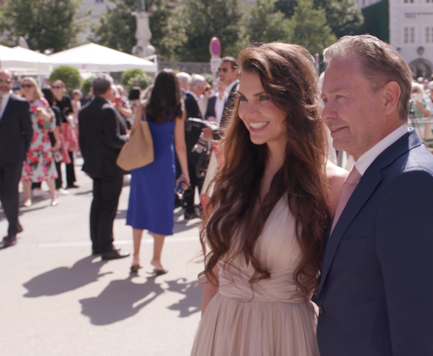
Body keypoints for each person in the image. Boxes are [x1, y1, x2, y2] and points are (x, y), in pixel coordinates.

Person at [314, 34, 433, 356]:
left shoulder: (411, 186)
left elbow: (426, 340)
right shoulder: (381, 174)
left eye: (340, 97)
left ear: (388, 98)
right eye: (324, 98)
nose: (326, 112)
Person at [191, 42, 346, 356]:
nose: (249, 111)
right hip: (219, 332)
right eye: (244, 99)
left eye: (264, 98)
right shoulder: (231, 174)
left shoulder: (332, 186)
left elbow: (347, 292)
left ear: (295, 101)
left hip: (285, 338)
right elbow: (216, 275)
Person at [126, 69, 190, 275]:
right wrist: (185, 173)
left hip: (142, 162)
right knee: (162, 209)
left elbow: (134, 131)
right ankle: (156, 259)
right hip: (163, 164)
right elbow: (180, 145)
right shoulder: (178, 110)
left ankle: (136, 255)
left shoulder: (144, 107)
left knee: (139, 206)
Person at [78, 75, 130, 260]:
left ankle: (98, 244)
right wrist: (130, 137)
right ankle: (106, 246)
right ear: (108, 89)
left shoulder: (85, 110)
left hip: (95, 166)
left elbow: (82, 140)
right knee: (108, 207)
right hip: (110, 166)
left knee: (98, 205)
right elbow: (114, 140)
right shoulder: (106, 109)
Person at [0, 70, 33, 248]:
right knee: (2, 194)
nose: (3, 84)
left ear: (12, 83)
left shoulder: (19, 103)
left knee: (10, 192)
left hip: (13, 156)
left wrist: (22, 151)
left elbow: (28, 130)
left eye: (7, 81)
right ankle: (15, 222)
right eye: (1, 81)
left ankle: (11, 232)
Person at [19, 77, 59, 207]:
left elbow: (51, 125)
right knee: (26, 170)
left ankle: (53, 196)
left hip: (41, 141)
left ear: (34, 87)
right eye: (24, 85)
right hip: (25, 142)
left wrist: (45, 117)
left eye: (29, 85)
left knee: (47, 168)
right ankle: (27, 198)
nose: (26, 88)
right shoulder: (19, 102)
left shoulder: (42, 102)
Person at [181, 74, 207, 220]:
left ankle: (190, 208)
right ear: (198, 87)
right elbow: (192, 125)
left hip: (188, 146)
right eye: (203, 86)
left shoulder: (188, 99)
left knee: (191, 176)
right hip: (194, 146)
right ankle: (197, 208)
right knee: (198, 176)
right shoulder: (189, 100)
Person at [52, 80, 79, 189]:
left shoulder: (66, 99)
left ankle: (71, 181)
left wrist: (71, 119)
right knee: (58, 156)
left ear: (63, 88)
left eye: (58, 87)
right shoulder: (51, 100)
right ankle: (58, 184)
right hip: (57, 130)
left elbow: (70, 113)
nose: (56, 89)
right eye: (54, 87)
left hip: (67, 129)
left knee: (70, 154)